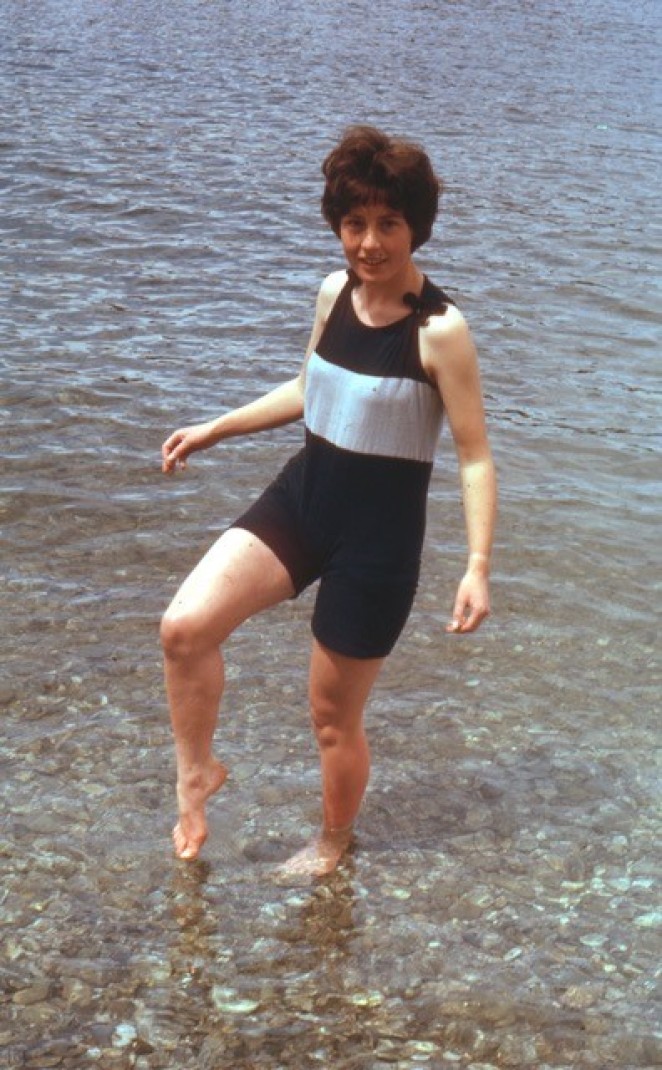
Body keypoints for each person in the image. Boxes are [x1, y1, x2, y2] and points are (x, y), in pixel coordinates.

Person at [160, 125, 497, 875]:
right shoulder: (333, 293)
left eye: (387, 224)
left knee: (332, 721)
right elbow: (311, 389)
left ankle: (334, 843)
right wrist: (216, 427)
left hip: (376, 548)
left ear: (416, 228)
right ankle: (196, 771)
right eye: (354, 224)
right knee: (184, 628)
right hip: (304, 499)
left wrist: (476, 565)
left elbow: (474, 455)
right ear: (337, 226)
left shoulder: (442, 332)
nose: (369, 243)